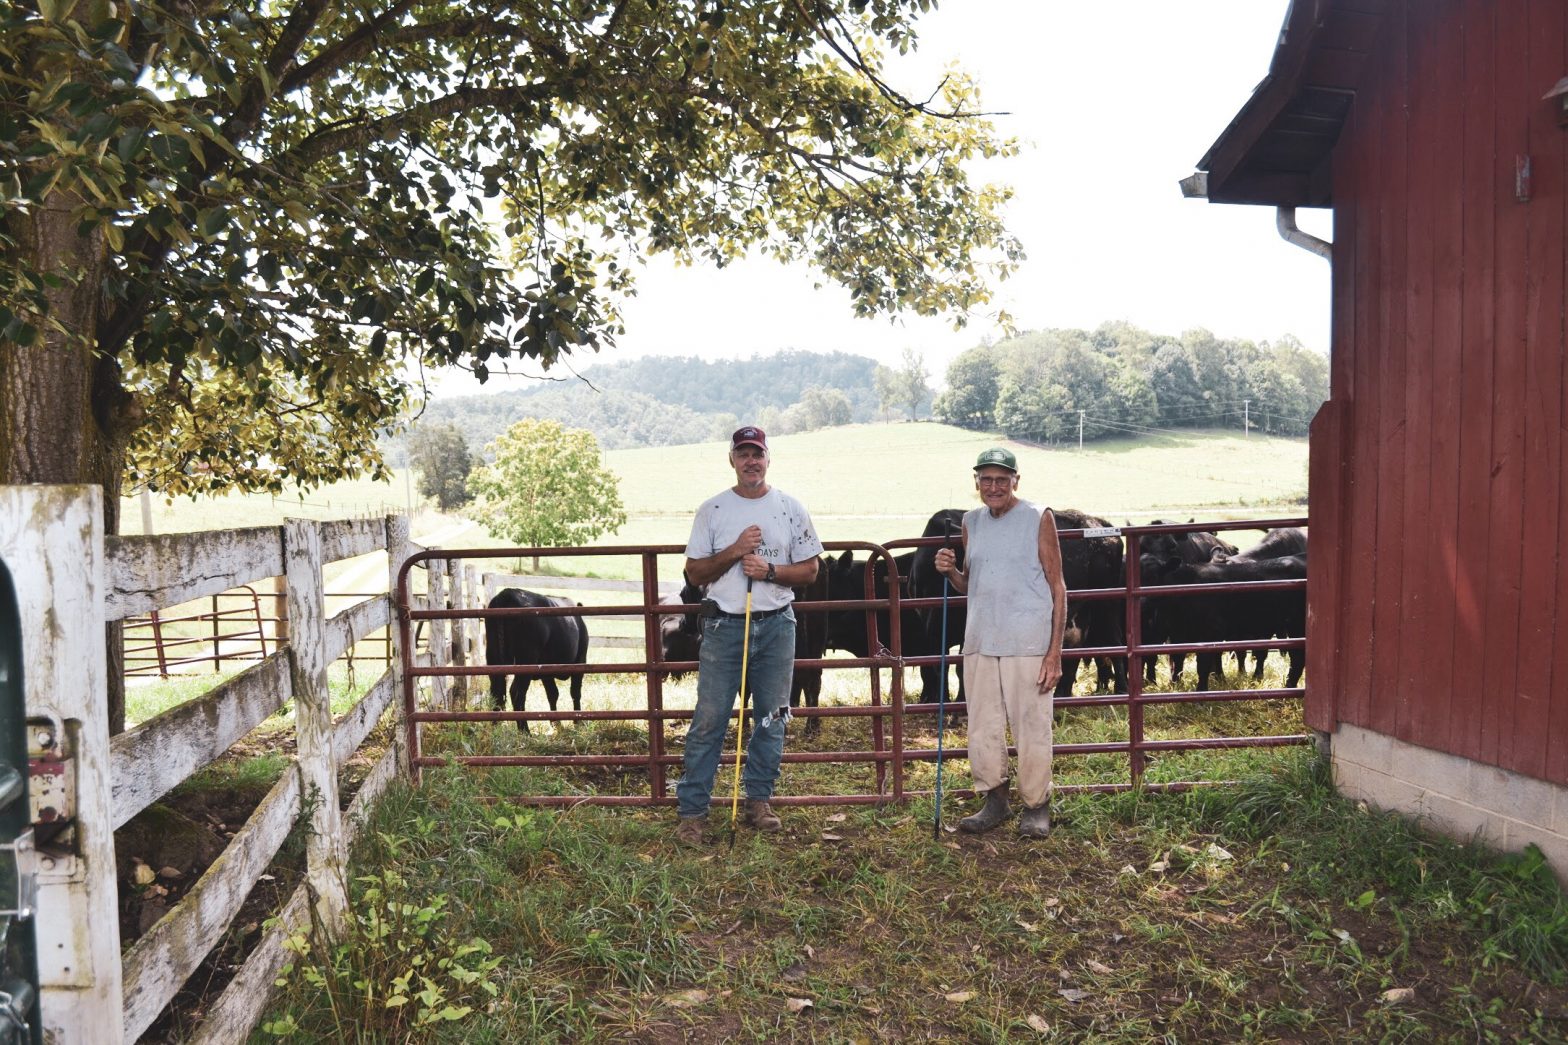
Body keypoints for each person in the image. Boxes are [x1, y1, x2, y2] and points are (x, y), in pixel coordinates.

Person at [674, 426, 823, 846]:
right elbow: (695, 573)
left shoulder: (790, 508)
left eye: (757, 454)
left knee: (773, 717)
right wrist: (736, 551)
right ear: (732, 460)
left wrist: (771, 571)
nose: (750, 461)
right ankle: (693, 813)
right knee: (709, 719)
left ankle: (759, 799)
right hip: (725, 625)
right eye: (743, 454)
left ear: (768, 459)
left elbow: (811, 570)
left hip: (777, 623)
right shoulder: (713, 510)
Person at [933, 447, 1067, 838]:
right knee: (983, 727)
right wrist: (951, 571)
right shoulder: (971, 522)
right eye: (986, 480)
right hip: (979, 640)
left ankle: (1036, 805)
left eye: (1002, 480)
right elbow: (969, 585)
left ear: (1016, 482)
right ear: (976, 483)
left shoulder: (1038, 517)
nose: (994, 487)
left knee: (1031, 727)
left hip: (1027, 643)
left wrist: (1054, 652)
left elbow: (1058, 587)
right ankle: (995, 800)